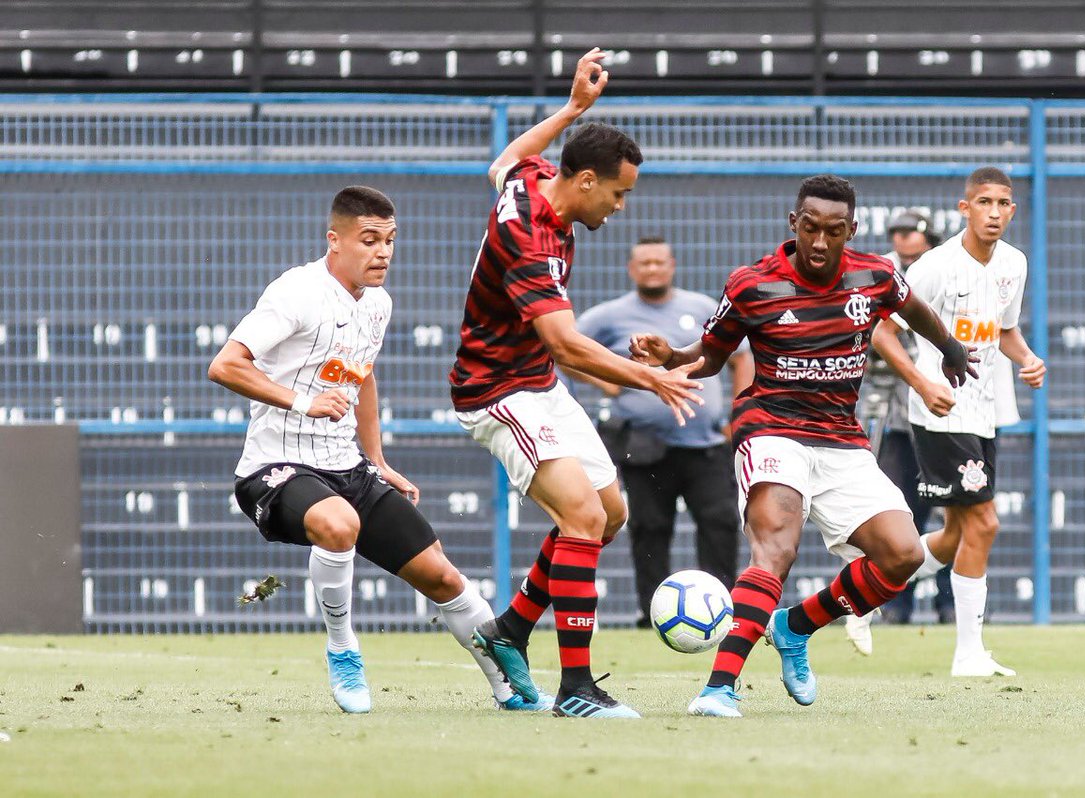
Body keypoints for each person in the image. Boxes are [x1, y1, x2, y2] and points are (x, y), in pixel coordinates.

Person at [628, 175, 978, 717]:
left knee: (903, 554)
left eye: (833, 231)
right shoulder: (752, 285)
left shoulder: (875, 275)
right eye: (810, 228)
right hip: (771, 429)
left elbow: (913, 310)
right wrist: (670, 356)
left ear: (851, 231)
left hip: (840, 439)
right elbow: (713, 356)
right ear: (794, 224)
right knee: (776, 548)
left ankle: (796, 626)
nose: (820, 242)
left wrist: (952, 350)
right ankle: (719, 689)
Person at [208, 187, 550, 714]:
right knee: (339, 524)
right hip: (275, 468)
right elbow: (226, 365)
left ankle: (509, 687)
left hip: (348, 468)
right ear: (335, 241)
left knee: (442, 576)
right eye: (369, 240)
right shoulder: (296, 292)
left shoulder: (379, 304)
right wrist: (302, 401)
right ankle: (343, 648)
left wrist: (378, 461)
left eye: (390, 241)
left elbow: (362, 378)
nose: (383, 252)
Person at [449, 49, 705, 719]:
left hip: (535, 386)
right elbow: (565, 343)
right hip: (497, 392)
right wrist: (650, 377)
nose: (620, 208)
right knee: (584, 517)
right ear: (586, 181)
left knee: (609, 516)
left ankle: (508, 630)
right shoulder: (528, 239)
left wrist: (572, 110)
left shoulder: (535, 179)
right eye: (618, 194)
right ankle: (576, 689)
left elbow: (503, 159)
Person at [872, 167, 1046, 677]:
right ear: (963, 208)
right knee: (985, 523)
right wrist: (922, 384)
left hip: (985, 409)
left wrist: (1027, 358)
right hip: (939, 409)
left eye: (1004, 203)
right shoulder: (934, 266)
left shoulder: (1014, 263)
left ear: (1013, 210)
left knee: (952, 536)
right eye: (984, 202)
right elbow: (883, 332)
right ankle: (969, 653)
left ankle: (858, 596)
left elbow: (1004, 331)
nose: (994, 212)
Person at [572, 236, 754, 626]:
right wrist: (610, 385)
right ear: (631, 269)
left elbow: (741, 358)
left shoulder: (702, 307)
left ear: (672, 265)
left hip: (706, 444)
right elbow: (567, 350)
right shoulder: (608, 316)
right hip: (644, 444)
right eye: (644, 263)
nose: (652, 269)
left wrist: (737, 416)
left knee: (720, 523)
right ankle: (653, 613)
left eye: (659, 262)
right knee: (650, 530)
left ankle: (722, 609)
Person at [845, 209, 947, 656]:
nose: (901, 238)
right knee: (892, 506)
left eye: (910, 231)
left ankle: (948, 604)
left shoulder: (944, 270)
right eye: (896, 232)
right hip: (886, 407)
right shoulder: (878, 271)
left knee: (947, 508)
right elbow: (868, 334)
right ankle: (894, 603)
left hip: (935, 405)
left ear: (926, 236)